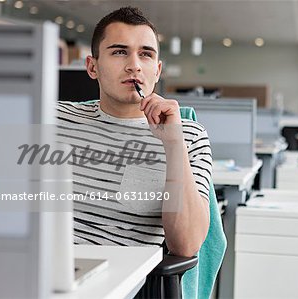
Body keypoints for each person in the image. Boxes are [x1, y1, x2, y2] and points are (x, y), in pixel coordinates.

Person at [57, 6, 211, 257]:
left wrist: (173, 144)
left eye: (146, 54)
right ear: (92, 67)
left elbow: (187, 245)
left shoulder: (189, 137)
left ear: (157, 71)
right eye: (119, 52)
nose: (134, 65)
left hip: (120, 285)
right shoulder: (50, 117)